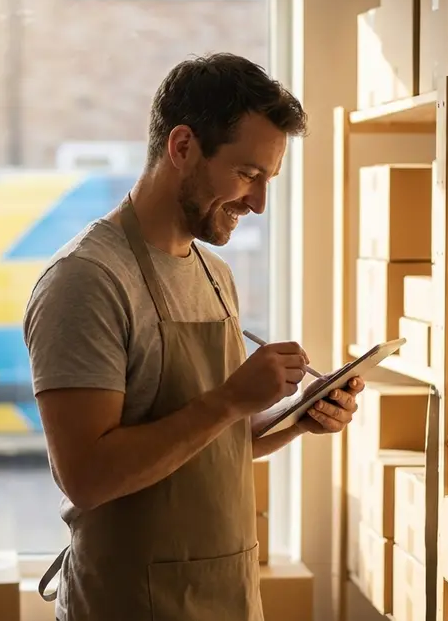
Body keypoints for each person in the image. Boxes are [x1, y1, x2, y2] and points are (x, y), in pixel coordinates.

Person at [23, 52, 365, 621]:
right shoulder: (87, 280)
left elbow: (205, 447)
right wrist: (231, 399)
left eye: (268, 181)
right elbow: (86, 476)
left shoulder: (215, 275)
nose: (258, 202)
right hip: (127, 604)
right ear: (182, 148)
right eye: (247, 174)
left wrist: (292, 418)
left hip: (226, 597)